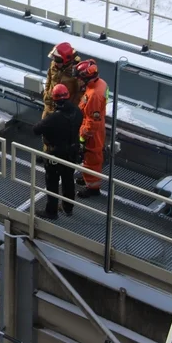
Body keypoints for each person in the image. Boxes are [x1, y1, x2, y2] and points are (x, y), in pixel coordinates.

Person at [32, 83, 83, 220]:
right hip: (72, 152)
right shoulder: (77, 112)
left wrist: (48, 119)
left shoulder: (54, 118)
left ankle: (51, 211)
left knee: (52, 182)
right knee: (68, 181)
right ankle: (68, 208)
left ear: (55, 99)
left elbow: (36, 129)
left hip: (56, 154)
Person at [74, 59, 109, 198]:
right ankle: (87, 178)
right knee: (89, 157)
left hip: (92, 132)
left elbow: (91, 122)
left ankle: (93, 188)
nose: (78, 80)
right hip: (94, 126)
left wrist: (82, 138)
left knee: (91, 157)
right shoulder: (100, 84)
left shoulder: (94, 95)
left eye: (80, 78)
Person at [42, 42, 82, 118]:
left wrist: (71, 107)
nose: (55, 62)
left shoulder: (76, 72)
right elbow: (49, 79)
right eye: (54, 59)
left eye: (58, 60)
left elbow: (79, 92)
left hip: (64, 111)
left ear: (66, 59)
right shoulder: (53, 64)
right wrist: (46, 94)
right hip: (49, 105)